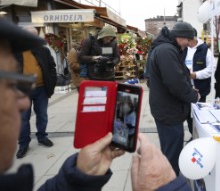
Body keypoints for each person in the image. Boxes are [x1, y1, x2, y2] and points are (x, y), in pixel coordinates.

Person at [0, 18, 191, 191]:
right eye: (10, 83)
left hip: (107, 76)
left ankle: (52, 134)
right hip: (94, 78)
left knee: (109, 113)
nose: (24, 101)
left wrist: (79, 176)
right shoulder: (90, 42)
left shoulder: (116, 43)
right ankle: (24, 143)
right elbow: (81, 58)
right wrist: (95, 59)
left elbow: (116, 57)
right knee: (94, 109)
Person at [148, 21, 200, 175]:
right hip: (168, 112)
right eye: (188, 40)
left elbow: (178, 74)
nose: (189, 45)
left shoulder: (168, 48)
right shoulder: (166, 51)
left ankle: (169, 179)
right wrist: (193, 95)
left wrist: (189, 88)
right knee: (172, 154)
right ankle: (170, 182)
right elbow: (175, 83)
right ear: (180, 37)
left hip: (167, 109)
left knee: (170, 150)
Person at [14, 26, 57, 159]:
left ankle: (42, 137)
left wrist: (52, 82)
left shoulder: (43, 50)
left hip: (41, 89)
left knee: (42, 115)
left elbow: (52, 67)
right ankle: (23, 143)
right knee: (23, 118)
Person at [183, 28, 215, 136]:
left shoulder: (205, 50)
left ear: (194, 38)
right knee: (188, 116)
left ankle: (200, 137)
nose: (187, 43)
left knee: (199, 115)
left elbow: (210, 70)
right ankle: (193, 136)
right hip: (186, 89)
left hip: (201, 90)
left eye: (188, 40)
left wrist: (195, 75)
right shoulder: (184, 49)